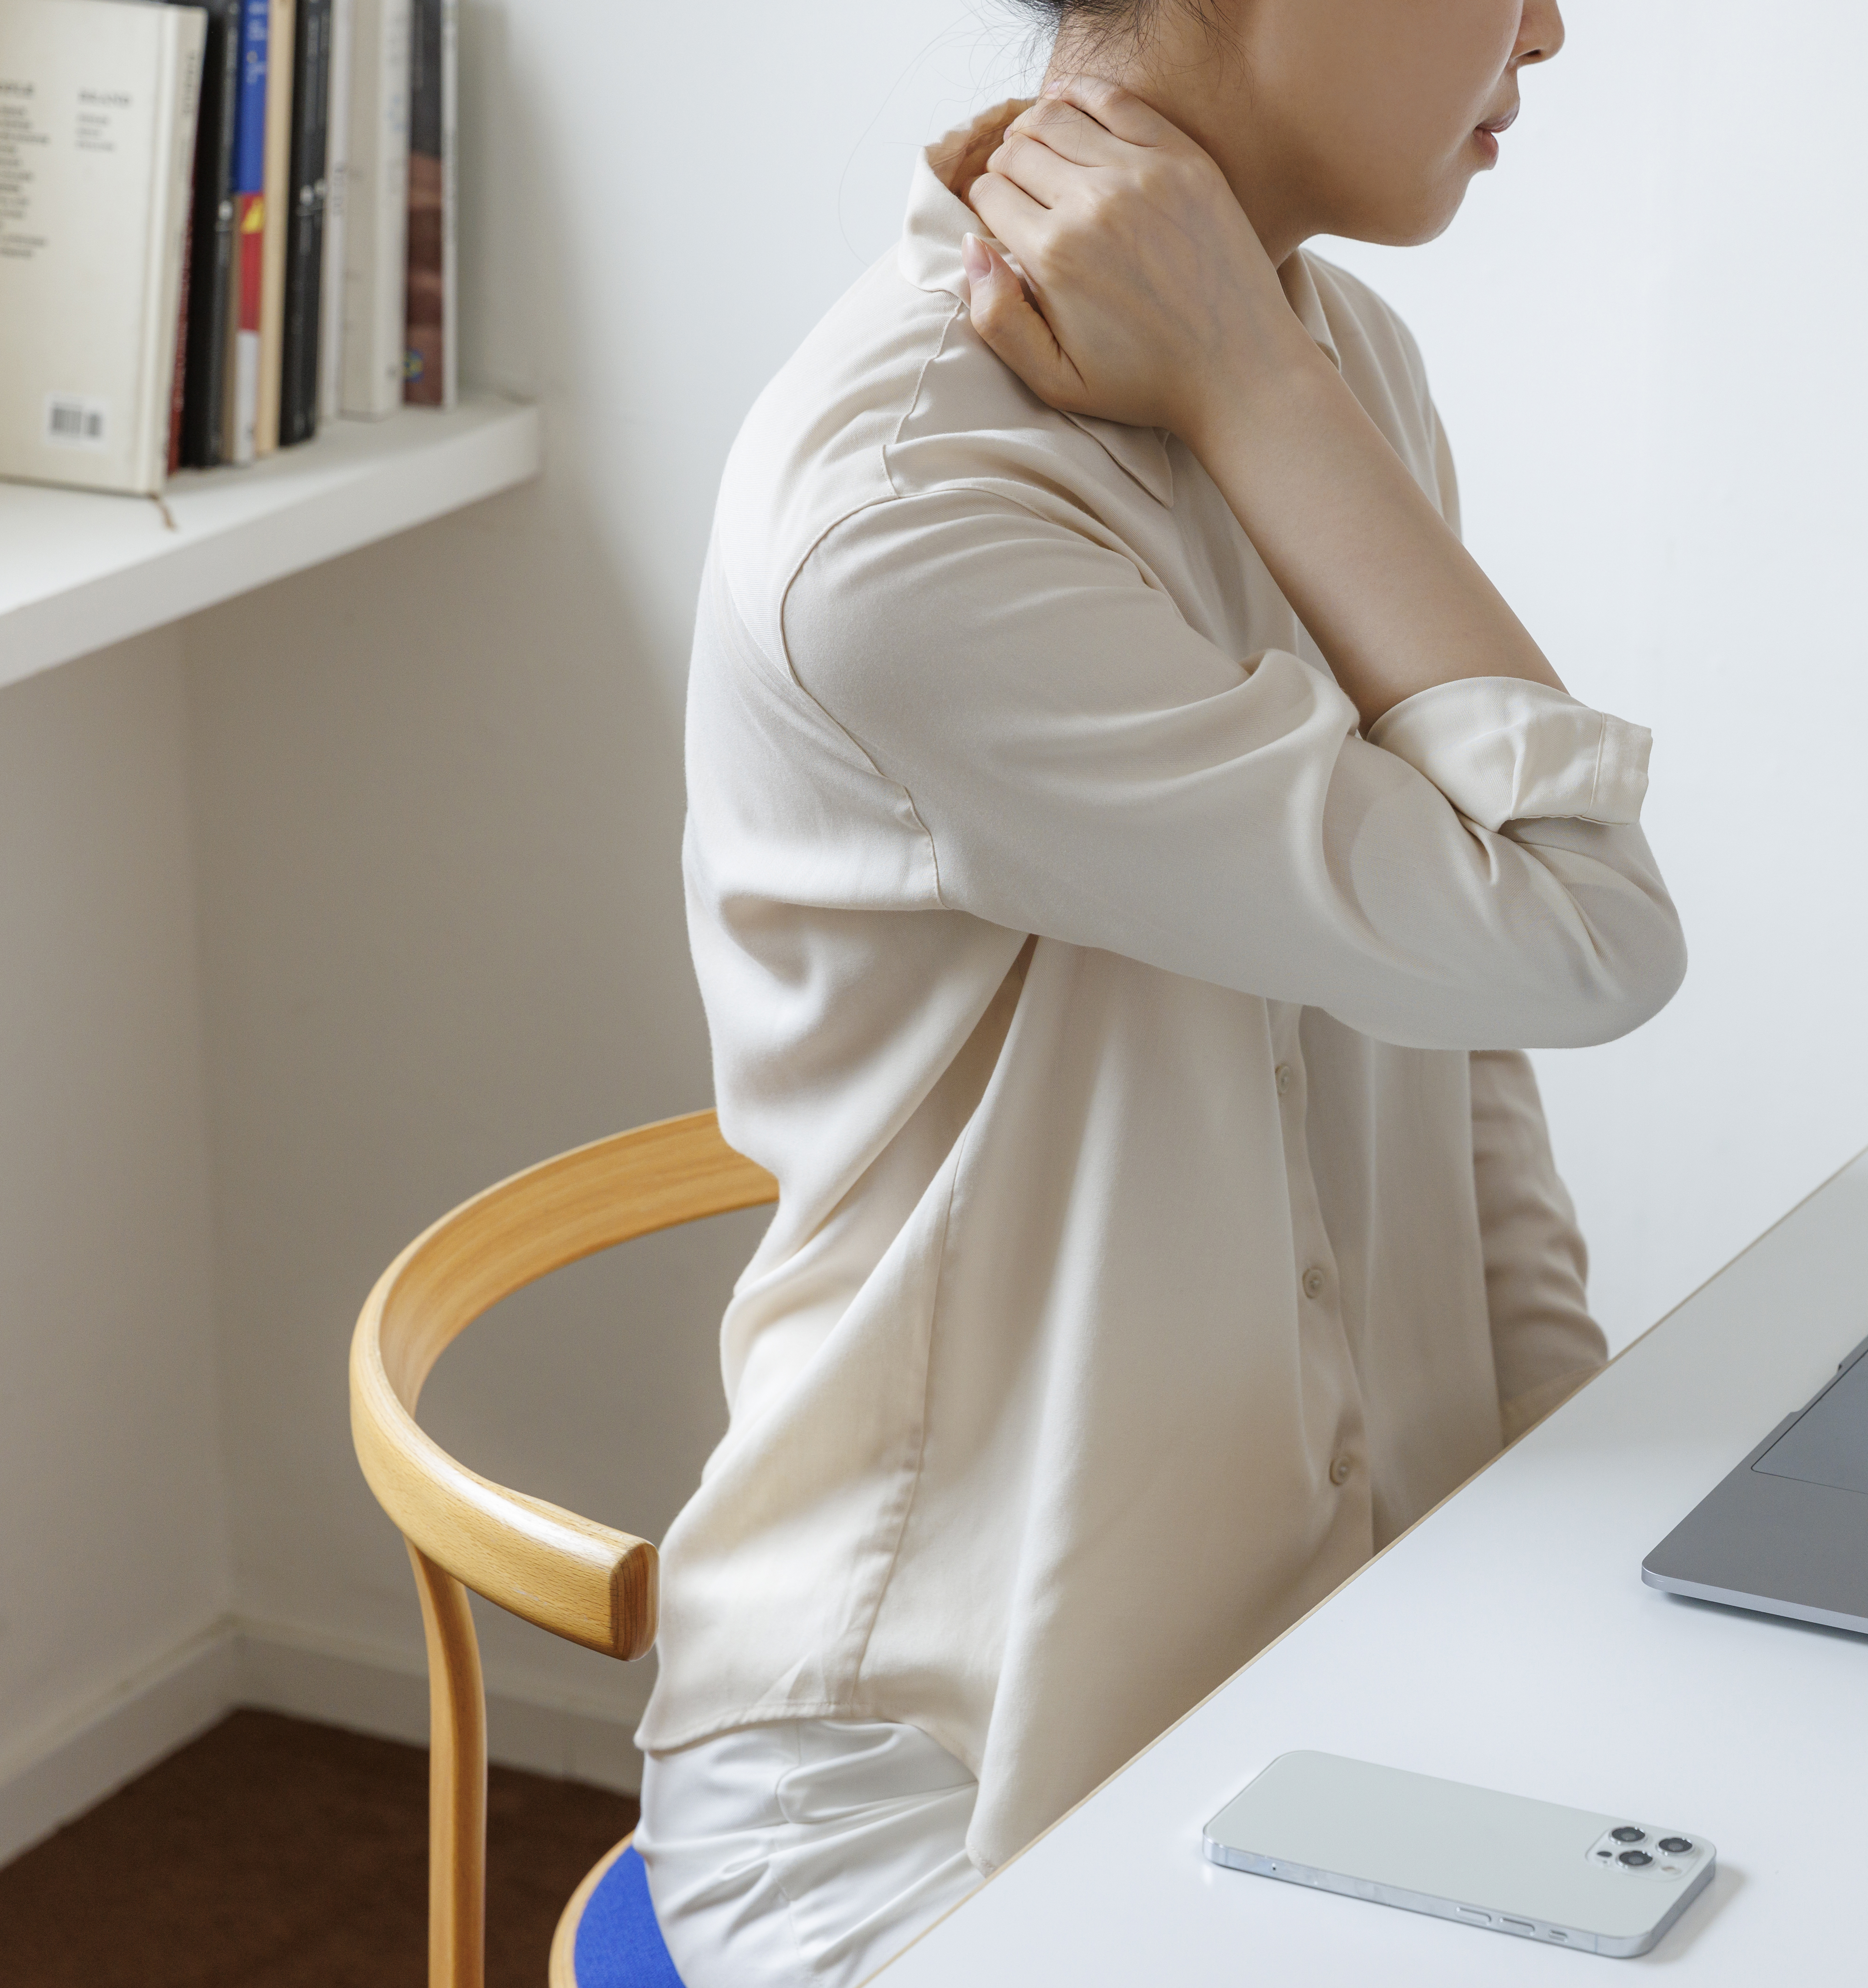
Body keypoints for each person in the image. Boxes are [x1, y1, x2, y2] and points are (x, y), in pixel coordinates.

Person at [634, 2, 1681, 1981]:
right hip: (966, 1776)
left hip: (1356, 1664)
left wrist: (1584, 1551)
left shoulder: (1327, 356)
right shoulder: (907, 508)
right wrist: (1260, 399)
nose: (1552, 25)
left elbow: (1463, 1044)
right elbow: (1580, 929)